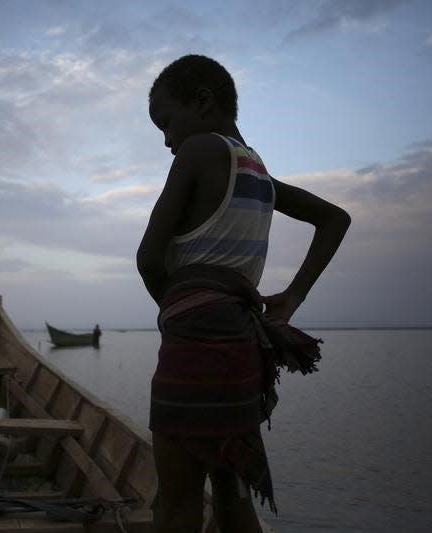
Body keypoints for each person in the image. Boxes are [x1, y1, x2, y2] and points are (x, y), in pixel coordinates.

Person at [137, 54, 350, 533]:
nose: (168, 141)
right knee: (234, 502)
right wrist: (291, 298)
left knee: (174, 508)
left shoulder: (199, 151)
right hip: (239, 351)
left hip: (193, 350)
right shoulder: (258, 173)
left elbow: (148, 258)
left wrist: (179, 309)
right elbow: (335, 218)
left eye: (167, 124)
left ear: (204, 101)